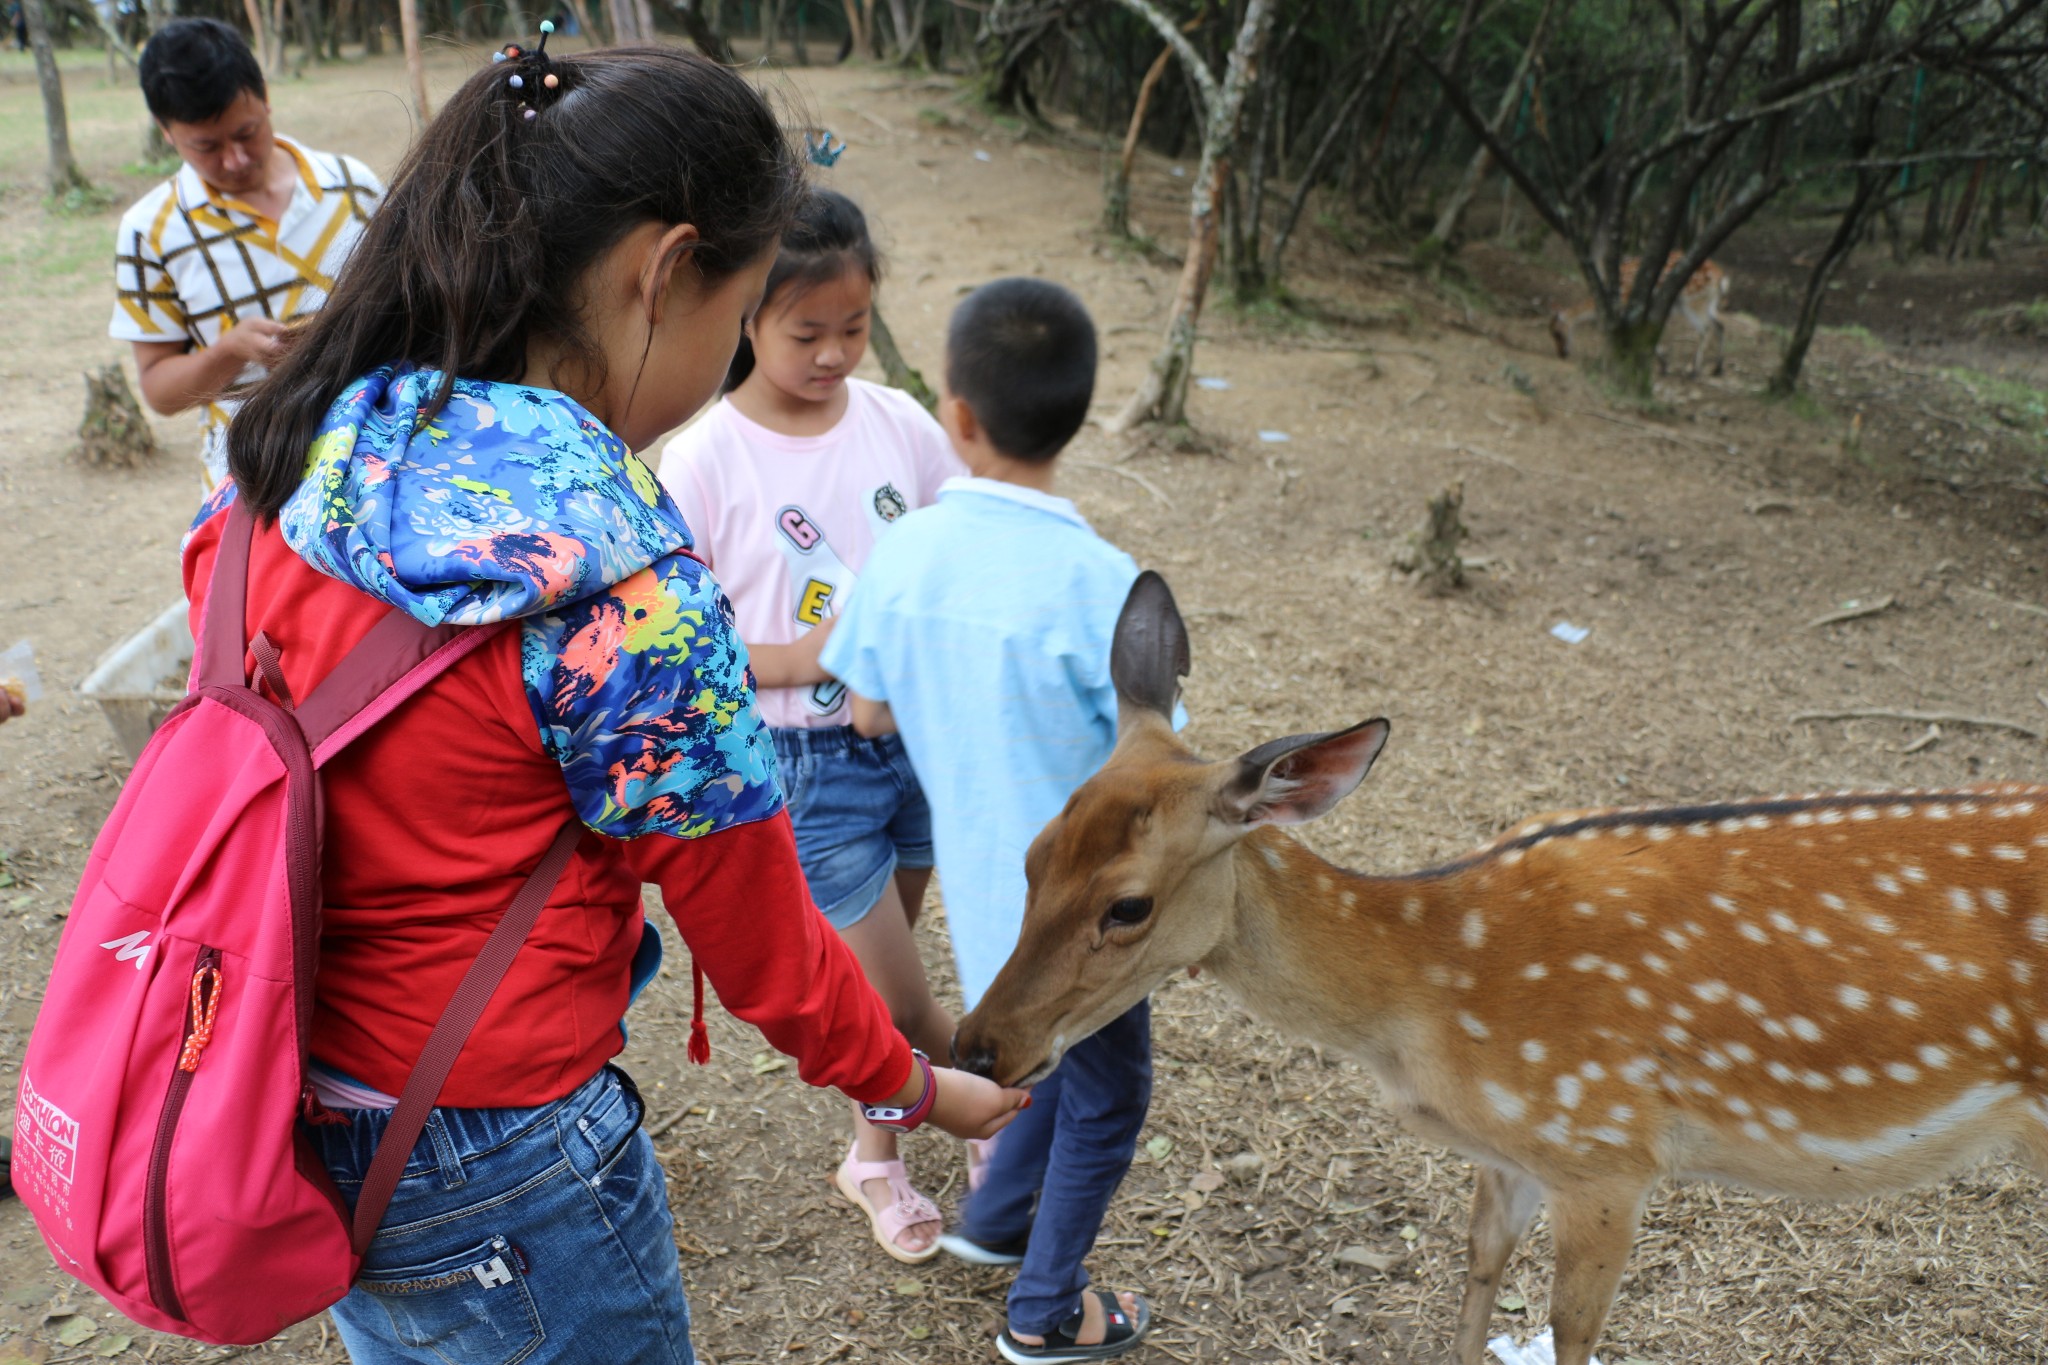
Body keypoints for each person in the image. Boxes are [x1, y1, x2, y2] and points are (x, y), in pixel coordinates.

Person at [197, 39, 1026, 1364]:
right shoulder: (622, 592)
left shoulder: (297, 461)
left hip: (287, 1084)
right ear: (661, 274)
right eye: (743, 306)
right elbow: (762, 941)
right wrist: (915, 1085)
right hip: (496, 1150)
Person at [821, 279, 1158, 1363]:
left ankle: (999, 1216)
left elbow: (865, 709)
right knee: (1109, 1093)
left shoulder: (906, 554)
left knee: (1042, 1061)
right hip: (1085, 921)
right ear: (1082, 412)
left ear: (955, 416)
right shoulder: (1105, 583)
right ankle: (1043, 1310)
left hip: (979, 898)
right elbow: (1154, 765)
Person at [656, 188, 969, 1265]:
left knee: (897, 967)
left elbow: (953, 544)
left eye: (852, 328)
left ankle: (874, 1158)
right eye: (806, 333)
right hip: (802, 762)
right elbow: (683, 649)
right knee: (895, 997)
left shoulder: (898, 424)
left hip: (916, 745)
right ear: (746, 314)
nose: (834, 354)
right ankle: (987, 1108)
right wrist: (825, 658)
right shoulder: (702, 459)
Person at [111, 18, 382, 490]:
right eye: (207, 147)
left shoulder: (353, 187)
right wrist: (231, 352)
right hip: (250, 484)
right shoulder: (149, 232)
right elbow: (159, 390)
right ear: (166, 131)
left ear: (264, 96)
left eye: (247, 133)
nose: (234, 160)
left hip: (375, 459)